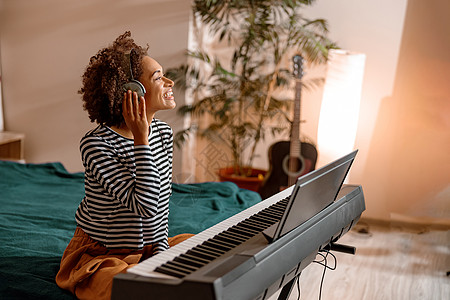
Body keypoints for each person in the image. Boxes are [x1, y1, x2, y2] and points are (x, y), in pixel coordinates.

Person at [55, 31, 193, 300]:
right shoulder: (96, 145)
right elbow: (145, 205)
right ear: (131, 92)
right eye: (158, 77)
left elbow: (159, 208)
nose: (169, 82)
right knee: (127, 287)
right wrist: (141, 139)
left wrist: (160, 257)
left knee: (208, 250)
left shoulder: (163, 134)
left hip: (147, 248)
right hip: (101, 254)